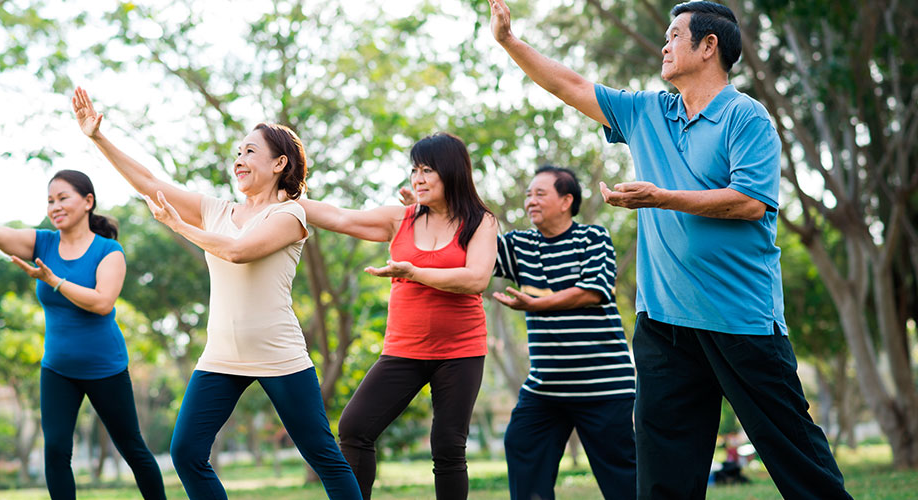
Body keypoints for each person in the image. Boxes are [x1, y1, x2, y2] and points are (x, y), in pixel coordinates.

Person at [488, 1, 853, 499]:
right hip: (664, 325)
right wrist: (510, 42)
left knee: (794, 455)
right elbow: (567, 85)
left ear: (709, 47)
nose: (664, 45)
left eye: (675, 35)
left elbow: (749, 203)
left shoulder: (746, 118)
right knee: (663, 473)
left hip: (741, 321)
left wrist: (662, 197)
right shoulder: (646, 112)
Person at [70, 86, 362, 500]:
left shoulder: (290, 214)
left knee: (322, 454)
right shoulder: (217, 210)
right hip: (222, 356)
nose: (239, 160)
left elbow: (239, 252)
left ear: (280, 163)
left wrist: (179, 226)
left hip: (279, 354)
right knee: (186, 452)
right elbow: (149, 182)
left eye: (250, 152)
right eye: (238, 153)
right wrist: (97, 137)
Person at [0, 169, 166, 500]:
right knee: (55, 451)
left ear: (88, 202)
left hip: (105, 368)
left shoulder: (109, 251)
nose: (55, 206)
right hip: (57, 369)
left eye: (63, 198)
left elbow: (101, 302)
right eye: (50, 200)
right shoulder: (43, 242)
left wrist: (55, 281)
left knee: (132, 449)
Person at [299, 132, 498, 500]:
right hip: (404, 350)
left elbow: (476, 279)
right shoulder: (400, 219)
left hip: (460, 352)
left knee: (448, 446)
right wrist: (286, 197)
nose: (417, 179)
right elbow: (341, 217)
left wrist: (413, 272)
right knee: (355, 427)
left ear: (451, 172)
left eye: (427, 170)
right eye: (414, 170)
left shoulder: (480, 222)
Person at [493, 166, 636, 500]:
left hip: (604, 386)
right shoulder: (519, 245)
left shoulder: (593, 237)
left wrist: (536, 304)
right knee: (521, 445)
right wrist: (428, 214)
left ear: (566, 200)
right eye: (528, 195)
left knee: (623, 481)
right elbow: (471, 253)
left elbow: (593, 291)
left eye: (540, 194)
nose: (530, 201)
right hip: (546, 389)